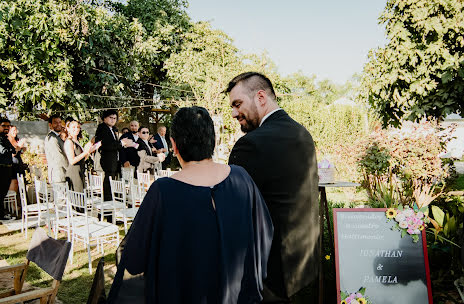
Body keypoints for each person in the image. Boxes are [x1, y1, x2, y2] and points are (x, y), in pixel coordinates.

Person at [108, 106, 273, 304]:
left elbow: (134, 261)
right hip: (238, 295)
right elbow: (264, 234)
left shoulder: (163, 191)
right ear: (212, 140)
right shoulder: (242, 177)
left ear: (174, 145)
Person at [227, 72, 320, 302]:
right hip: (306, 267)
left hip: (269, 278)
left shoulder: (250, 144)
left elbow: (233, 214)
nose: (234, 113)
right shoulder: (302, 134)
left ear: (260, 97)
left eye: (238, 104)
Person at [94, 110, 133, 201]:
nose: (113, 120)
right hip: (106, 163)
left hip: (113, 162)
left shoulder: (112, 129)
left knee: (111, 187)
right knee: (107, 187)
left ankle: (110, 209)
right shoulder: (102, 128)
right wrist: (121, 143)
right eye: (110, 118)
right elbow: (106, 145)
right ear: (104, 118)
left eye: (115, 118)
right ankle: (107, 210)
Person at [64, 120, 97, 192]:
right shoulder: (69, 142)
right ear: (68, 128)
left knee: (82, 197)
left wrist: (91, 149)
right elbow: (72, 161)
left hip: (80, 171)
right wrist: (85, 152)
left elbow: (83, 158)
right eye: (74, 127)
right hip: (74, 173)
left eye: (78, 127)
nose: (76, 129)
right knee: (78, 198)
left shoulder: (76, 141)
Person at [44, 115, 69, 184]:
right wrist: (70, 169)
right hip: (58, 176)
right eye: (55, 122)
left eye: (60, 122)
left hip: (61, 175)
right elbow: (59, 157)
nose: (58, 124)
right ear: (50, 125)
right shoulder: (52, 138)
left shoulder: (57, 137)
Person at [0, 119, 16, 220]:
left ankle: (1, 214)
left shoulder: (5, 138)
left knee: (3, 193)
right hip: (1, 169)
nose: (6, 128)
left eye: (8, 126)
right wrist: (12, 149)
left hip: (8, 169)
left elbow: (13, 150)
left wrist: (13, 149)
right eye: (4, 126)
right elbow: (4, 151)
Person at [7, 125, 27, 192]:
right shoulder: (6, 142)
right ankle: (13, 201)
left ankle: (20, 201)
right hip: (12, 166)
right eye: (13, 130)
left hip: (19, 166)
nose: (15, 132)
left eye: (16, 130)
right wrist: (19, 147)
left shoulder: (17, 140)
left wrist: (23, 148)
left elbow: (19, 152)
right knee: (13, 185)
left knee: (21, 186)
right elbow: (11, 154)